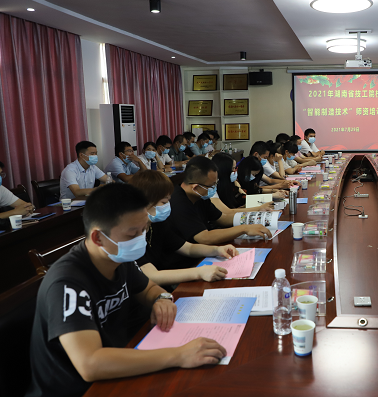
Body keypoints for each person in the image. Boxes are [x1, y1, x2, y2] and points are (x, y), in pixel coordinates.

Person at [26, 184, 227, 397]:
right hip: (80, 388)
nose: (141, 239)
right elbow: (90, 363)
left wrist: (161, 298)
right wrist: (179, 355)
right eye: (132, 234)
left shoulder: (118, 258)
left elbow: (149, 288)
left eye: (144, 230)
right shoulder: (67, 284)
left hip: (121, 363)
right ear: (98, 238)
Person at [128, 170, 238, 286]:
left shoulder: (156, 224)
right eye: (164, 202)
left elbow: (188, 248)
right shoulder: (130, 234)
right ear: (144, 203)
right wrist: (198, 273)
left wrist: (217, 250)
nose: (168, 206)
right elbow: (152, 276)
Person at [168, 156, 272, 244]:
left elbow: (222, 218)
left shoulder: (200, 196)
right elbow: (204, 237)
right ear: (196, 187)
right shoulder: (178, 202)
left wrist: (253, 217)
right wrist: (244, 229)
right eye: (212, 186)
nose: (214, 188)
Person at [210, 153, 274, 213]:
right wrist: (259, 208)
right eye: (233, 168)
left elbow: (243, 199)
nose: (235, 171)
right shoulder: (212, 189)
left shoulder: (231, 183)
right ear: (224, 171)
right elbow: (227, 212)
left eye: (235, 168)